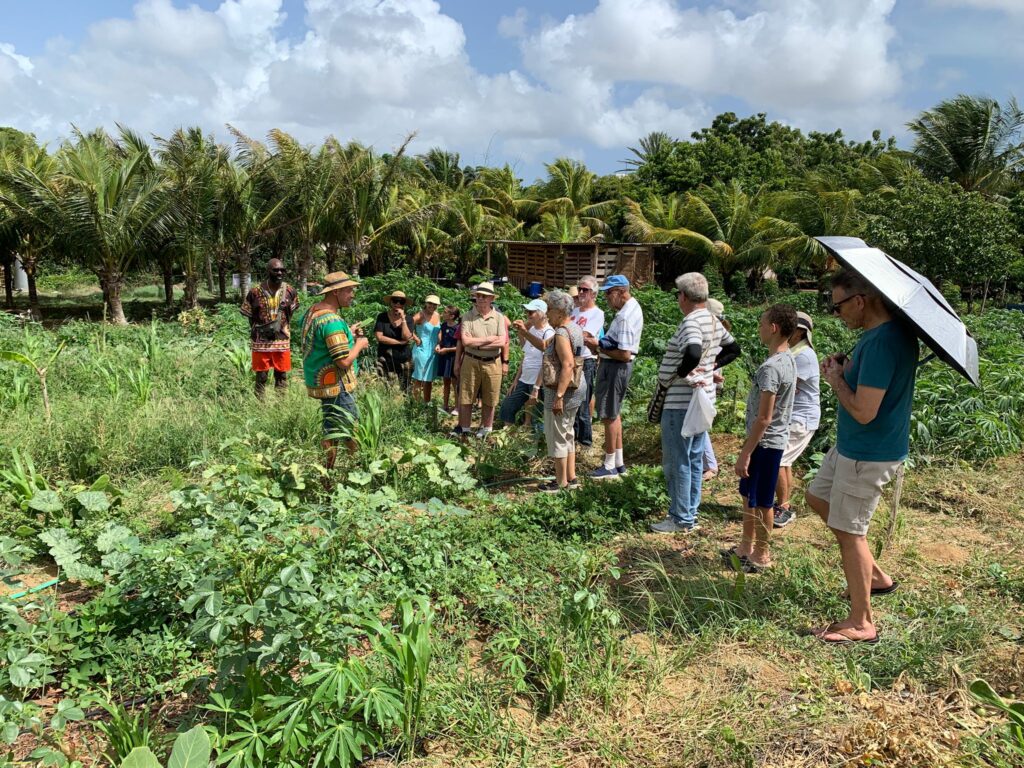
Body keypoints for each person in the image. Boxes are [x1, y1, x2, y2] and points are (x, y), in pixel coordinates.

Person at [806, 269, 918, 644]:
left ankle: (862, 621)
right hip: (852, 447)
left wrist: (835, 380)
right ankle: (875, 577)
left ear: (860, 301)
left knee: (851, 533)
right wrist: (845, 370)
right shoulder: (877, 338)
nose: (836, 314)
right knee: (817, 497)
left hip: (868, 453)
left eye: (838, 306)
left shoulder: (884, 342)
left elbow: (865, 410)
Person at [649, 273, 740, 533]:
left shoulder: (691, 321)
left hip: (681, 402)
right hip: (702, 401)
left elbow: (692, 351)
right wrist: (710, 367)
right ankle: (690, 512)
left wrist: (682, 373)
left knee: (677, 459)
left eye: (678, 294)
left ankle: (680, 518)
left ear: (684, 296)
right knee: (694, 457)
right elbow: (734, 349)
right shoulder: (712, 320)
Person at [720, 304, 797, 570]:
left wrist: (745, 452)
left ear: (773, 328)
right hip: (768, 441)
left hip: (764, 443)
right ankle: (746, 545)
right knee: (748, 494)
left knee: (764, 500)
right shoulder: (789, 359)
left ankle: (762, 554)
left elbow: (764, 417)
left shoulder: (771, 368)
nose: (759, 328)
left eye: (762, 324)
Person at [300, 271, 369, 468]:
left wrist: (347, 330)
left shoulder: (313, 312)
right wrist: (359, 344)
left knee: (334, 425)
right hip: (337, 384)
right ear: (336, 292)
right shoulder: (332, 322)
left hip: (322, 382)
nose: (352, 295)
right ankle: (351, 469)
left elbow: (321, 337)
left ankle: (332, 470)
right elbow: (343, 361)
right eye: (349, 290)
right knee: (347, 427)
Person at [585, 275, 643, 480]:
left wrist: (597, 346)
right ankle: (618, 463)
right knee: (614, 413)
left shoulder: (625, 316)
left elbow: (625, 354)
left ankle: (609, 465)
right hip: (617, 366)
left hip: (616, 367)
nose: (607, 298)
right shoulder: (632, 308)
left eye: (609, 293)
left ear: (620, 291)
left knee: (608, 416)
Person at [773, 311, 820, 528]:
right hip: (795, 417)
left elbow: (783, 385)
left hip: (801, 419)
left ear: (800, 331)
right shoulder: (796, 352)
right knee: (785, 461)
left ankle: (783, 508)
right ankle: (784, 504)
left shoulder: (803, 356)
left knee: (778, 460)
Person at [537, 290, 587, 492]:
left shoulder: (561, 333)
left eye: (548, 309)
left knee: (557, 435)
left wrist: (558, 396)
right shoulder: (574, 327)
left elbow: (567, 365)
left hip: (563, 391)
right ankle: (570, 477)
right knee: (567, 432)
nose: (546, 314)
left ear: (558, 311)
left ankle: (560, 483)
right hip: (576, 387)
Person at [454, 281, 507, 439]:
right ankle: (464, 429)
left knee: (490, 397)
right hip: (470, 361)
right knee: (466, 395)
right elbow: (466, 342)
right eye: (478, 295)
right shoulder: (467, 317)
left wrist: (477, 343)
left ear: (491, 298)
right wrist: (490, 340)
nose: (481, 298)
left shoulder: (499, 317)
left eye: (484, 296)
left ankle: (486, 429)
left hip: (493, 362)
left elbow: (501, 342)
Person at [241, 258, 299, 399]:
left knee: (282, 375)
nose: (279, 272)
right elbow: (249, 315)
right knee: (261, 375)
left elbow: (292, 312)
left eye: (282, 270)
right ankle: (259, 406)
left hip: (282, 340)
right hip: (261, 342)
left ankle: (280, 407)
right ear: (268, 271)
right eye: (276, 270)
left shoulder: (290, 290)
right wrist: (260, 330)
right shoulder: (255, 292)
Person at [502, 299, 554, 432]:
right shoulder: (532, 329)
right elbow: (526, 356)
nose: (528, 314)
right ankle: (506, 432)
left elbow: (546, 362)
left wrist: (536, 387)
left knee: (537, 415)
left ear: (542, 313)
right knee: (508, 404)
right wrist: (516, 380)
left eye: (531, 312)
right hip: (525, 378)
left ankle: (536, 441)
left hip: (538, 380)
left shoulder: (548, 333)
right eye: (527, 311)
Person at [571, 275, 605, 451]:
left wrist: (568, 334)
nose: (581, 293)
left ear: (594, 293)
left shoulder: (597, 314)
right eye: (580, 289)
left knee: (583, 401)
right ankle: (575, 439)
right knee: (572, 401)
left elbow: (587, 336)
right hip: (571, 360)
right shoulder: (574, 312)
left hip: (586, 361)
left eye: (585, 290)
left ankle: (586, 442)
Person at [702, 297, 728, 480]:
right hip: (707, 388)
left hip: (705, 390)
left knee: (699, 428)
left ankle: (711, 466)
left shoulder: (714, 339)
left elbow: (710, 368)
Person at [375, 290, 414, 390]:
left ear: (404, 304)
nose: (397, 304)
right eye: (395, 301)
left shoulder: (409, 319)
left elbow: (406, 337)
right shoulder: (382, 317)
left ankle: (406, 405)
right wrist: (399, 342)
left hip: (403, 357)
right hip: (385, 356)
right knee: (386, 386)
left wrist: (403, 319)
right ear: (390, 302)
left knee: (406, 387)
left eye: (401, 302)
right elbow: (379, 337)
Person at [411, 294, 442, 404]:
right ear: (426, 303)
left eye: (435, 304)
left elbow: (439, 331)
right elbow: (408, 325)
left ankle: (426, 404)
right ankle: (415, 404)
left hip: (433, 351)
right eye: (430, 303)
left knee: (429, 380)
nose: (432, 306)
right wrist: (416, 339)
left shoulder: (437, 315)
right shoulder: (420, 315)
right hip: (422, 349)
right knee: (419, 379)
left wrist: (439, 343)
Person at [436, 305, 461, 415]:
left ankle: (457, 407)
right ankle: (445, 406)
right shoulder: (444, 325)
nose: (443, 314)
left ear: (452, 316)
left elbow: (460, 347)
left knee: (455, 383)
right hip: (444, 357)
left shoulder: (458, 328)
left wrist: (447, 349)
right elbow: (441, 340)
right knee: (446, 382)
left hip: (454, 357)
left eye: (445, 312)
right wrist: (438, 345)